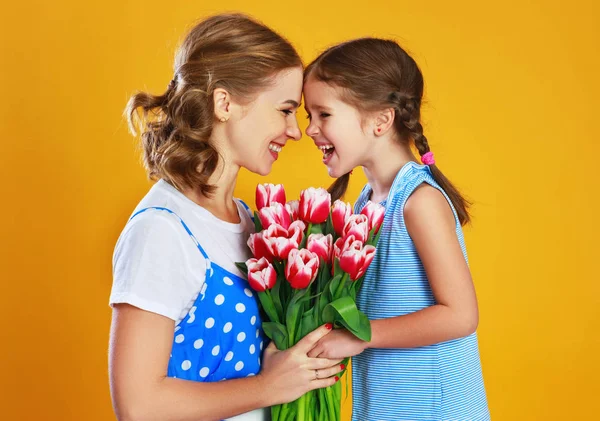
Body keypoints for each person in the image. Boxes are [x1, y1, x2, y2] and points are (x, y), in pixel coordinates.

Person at [108, 13, 342, 421]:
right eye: (285, 110)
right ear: (224, 103)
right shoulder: (161, 231)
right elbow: (138, 406)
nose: (295, 131)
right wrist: (268, 386)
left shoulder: (251, 223)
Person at [303, 37, 490, 421]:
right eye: (309, 115)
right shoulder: (369, 201)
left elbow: (460, 315)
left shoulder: (419, 202)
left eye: (323, 114)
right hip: (391, 405)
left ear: (381, 121)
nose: (310, 129)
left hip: (435, 409)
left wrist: (358, 336)